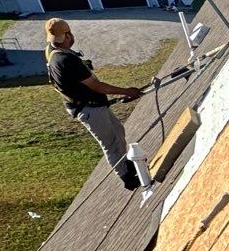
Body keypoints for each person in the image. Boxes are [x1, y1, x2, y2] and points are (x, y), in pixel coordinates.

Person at [45, 19, 152, 197]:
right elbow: (96, 86)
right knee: (110, 144)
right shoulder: (65, 60)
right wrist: (126, 91)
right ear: (68, 35)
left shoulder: (53, 52)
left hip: (92, 106)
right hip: (89, 110)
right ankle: (127, 177)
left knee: (118, 132)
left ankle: (126, 164)